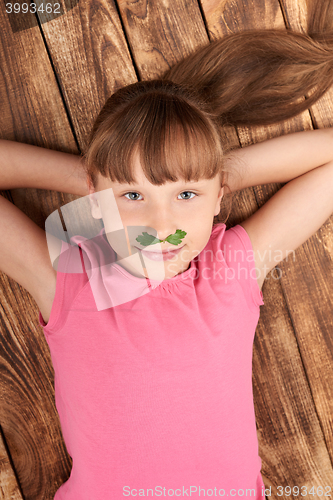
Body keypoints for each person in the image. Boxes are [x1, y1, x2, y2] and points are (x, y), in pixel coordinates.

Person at [1, 0, 333, 498]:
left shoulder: (230, 271)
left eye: (185, 197)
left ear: (219, 195)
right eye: (133, 198)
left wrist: (203, 172)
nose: (161, 224)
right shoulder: (71, 281)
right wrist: (99, 181)